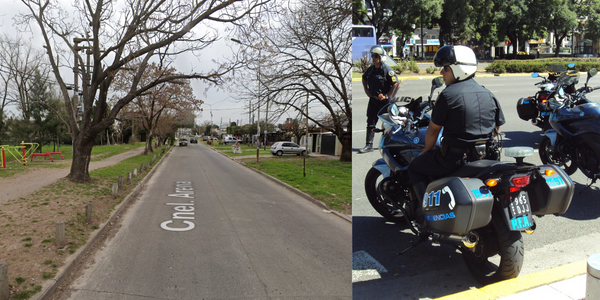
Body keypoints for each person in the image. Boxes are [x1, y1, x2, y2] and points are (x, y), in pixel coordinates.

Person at [407, 45, 505, 202]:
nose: (441, 73)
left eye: (445, 69)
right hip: (487, 157)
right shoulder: (487, 93)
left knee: (415, 166)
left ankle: (426, 211)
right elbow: (496, 129)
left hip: (455, 159)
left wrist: (425, 151)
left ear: (457, 69)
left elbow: (432, 131)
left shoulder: (448, 95)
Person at [359, 46, 399, 153]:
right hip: (373, 101)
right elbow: (364, 78)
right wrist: (367, 91)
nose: (373, 58)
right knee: (371, 122)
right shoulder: (371, 70)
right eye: (372, 56)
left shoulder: (387, 70)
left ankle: (392, 144)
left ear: (381, 57)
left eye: (376, 56)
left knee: (390, 123)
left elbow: (396, 84)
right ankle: (369, 145)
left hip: (384, 102)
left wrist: (386, 95)